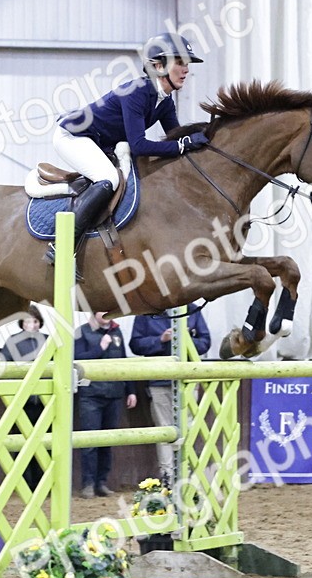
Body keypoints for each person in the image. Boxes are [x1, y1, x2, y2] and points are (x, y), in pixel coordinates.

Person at [45, 31, 209, 264]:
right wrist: (183, 145)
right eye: (180, 62)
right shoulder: (137, 93)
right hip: (73, 137)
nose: (186, 69)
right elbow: (139, 145)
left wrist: (203, 136)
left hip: (101, 142)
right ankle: (62, 245)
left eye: (187, 64)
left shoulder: (165, 101)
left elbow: (176, 136)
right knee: (109, 178)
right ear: (159, 66)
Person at [131, 307, 212, 482]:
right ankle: (167, 475)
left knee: (188, 428)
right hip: (159, 379)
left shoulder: (193, 309)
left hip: (188, 379)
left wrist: (185, 339)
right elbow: (135, 345)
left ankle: (186, 472)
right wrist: (161, 339)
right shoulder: (146, 310)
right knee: (164, 429)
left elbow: (205, 342)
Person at [73, 311, 137, 498]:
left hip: (114, 393)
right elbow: (77, 359)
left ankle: (101, 482)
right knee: (90, 441)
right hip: (91, 394)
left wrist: (130, 390)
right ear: (94, 312)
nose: (108, 314)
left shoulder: (117, 332)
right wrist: (99, 349)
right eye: (103, 310)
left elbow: (124, 362)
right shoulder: (82, 332)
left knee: (108, 441)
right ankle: (88, 483)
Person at [2, 306, 49, 491]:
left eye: (35, 321)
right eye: (29, 321)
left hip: (45, 401)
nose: (32, 325)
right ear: (22, 323)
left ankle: (41, 484)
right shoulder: (12, 341)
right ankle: (23, 483)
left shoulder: (48, 341)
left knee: (44, 444)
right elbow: (5, 368)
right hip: (21, 401)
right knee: (20, 443)